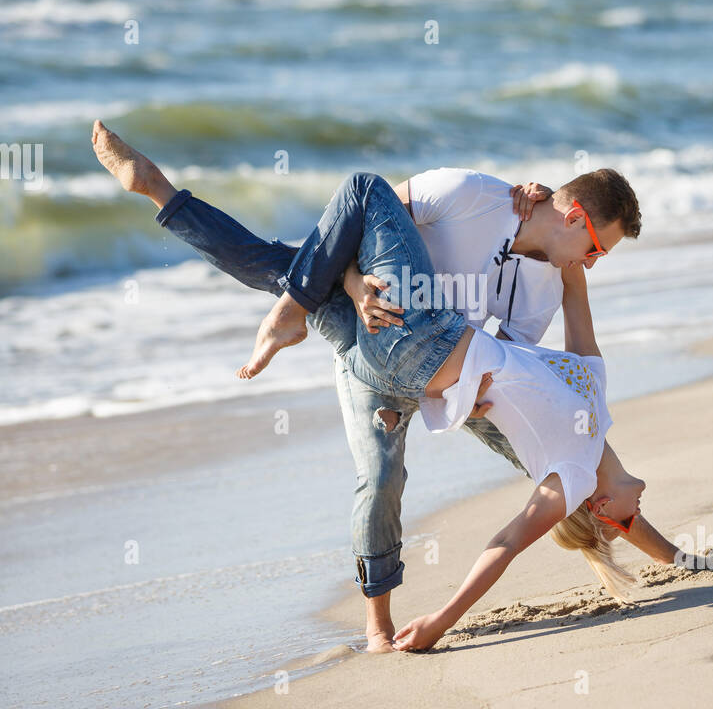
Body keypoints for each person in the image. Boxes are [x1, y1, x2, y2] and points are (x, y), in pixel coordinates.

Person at [91, 122, 667, 652]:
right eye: (595, 248)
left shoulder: (544, 289)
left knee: (549, 451)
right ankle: (378, 626)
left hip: (441, 366)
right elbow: (359, 217)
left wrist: (478, 403)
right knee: (380, 476)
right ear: (573, 217)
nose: (591, 264)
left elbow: (518, 366)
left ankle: (647, 547)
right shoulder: (470, 193)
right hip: (365, 312)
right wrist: (351, 283)